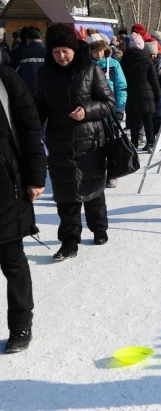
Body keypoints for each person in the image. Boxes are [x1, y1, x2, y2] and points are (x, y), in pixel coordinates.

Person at [35, 23, 116, 260]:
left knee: (93, 189)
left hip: (90, 140)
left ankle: (99, 227)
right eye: (56, 51)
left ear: (73, 49)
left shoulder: (90, 69)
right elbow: (39, 105)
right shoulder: (45, 73)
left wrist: (86, 110)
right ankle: (69, 241)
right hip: (59, 140)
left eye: (65, 51)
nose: (61, 56)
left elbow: (109, 103)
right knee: (65, 193)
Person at [0, 65, 47, 354]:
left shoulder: (5, 79)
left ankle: (20, 325)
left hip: (6, 186)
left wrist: (36, 176)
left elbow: (30, 126)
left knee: (12, 260)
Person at [87, 33, 127, 188]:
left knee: (112, 143)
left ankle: (112, 173)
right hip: (91, 112)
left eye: (101, 50)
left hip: (110, 113)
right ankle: (94, 174)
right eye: (95, 51)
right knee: (92, 145)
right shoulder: (85, 66)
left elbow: (121, 87)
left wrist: (120, 108)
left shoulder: (113, 65)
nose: (99, 54)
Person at [121, 33, 160, 153]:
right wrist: (157, 94)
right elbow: (153, 79)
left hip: (132, 93)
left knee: (134, 120)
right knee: (148, 120)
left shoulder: (125, 60)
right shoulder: (147, 59)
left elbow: (122, 79)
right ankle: (150, 142)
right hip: (147, 93)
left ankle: (134, 143)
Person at [18, 27, 46, 97]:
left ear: (27, 40)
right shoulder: (50, 53)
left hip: (27, 92)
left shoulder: (22, 53)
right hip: (45, 92)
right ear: (41, 39)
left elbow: (13, 71)